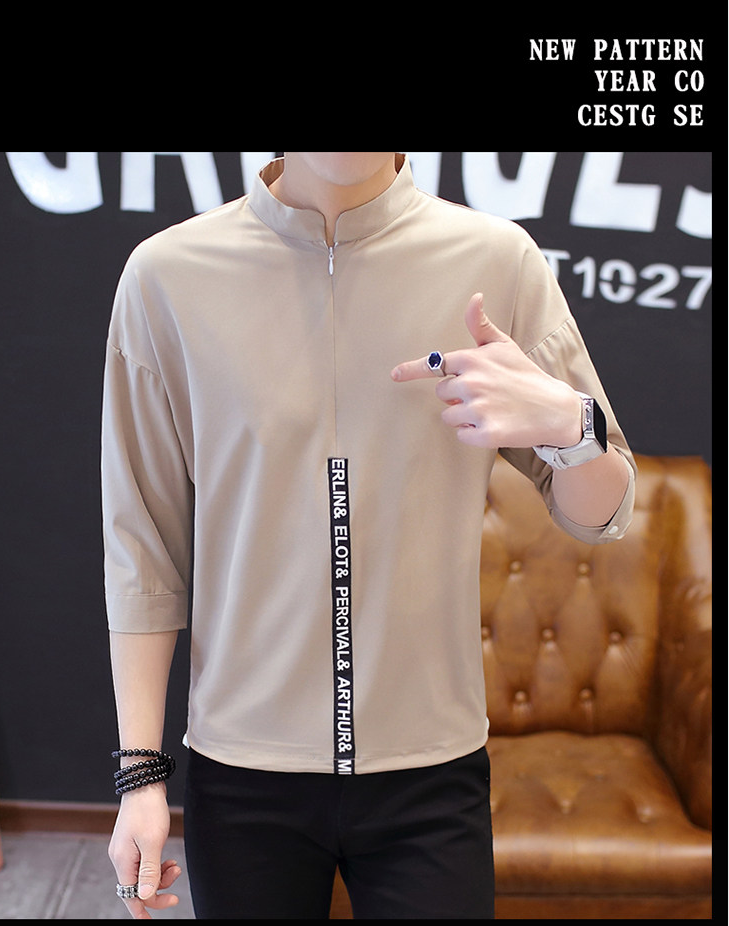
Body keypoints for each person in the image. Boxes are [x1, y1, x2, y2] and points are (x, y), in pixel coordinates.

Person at [102, 152, 635, 919]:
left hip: (432, 768)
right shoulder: (167, 277)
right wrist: (140, 777)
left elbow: (601, 512)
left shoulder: (495, 261)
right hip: (244, 769)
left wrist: (568, 425)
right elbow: (143, 550)